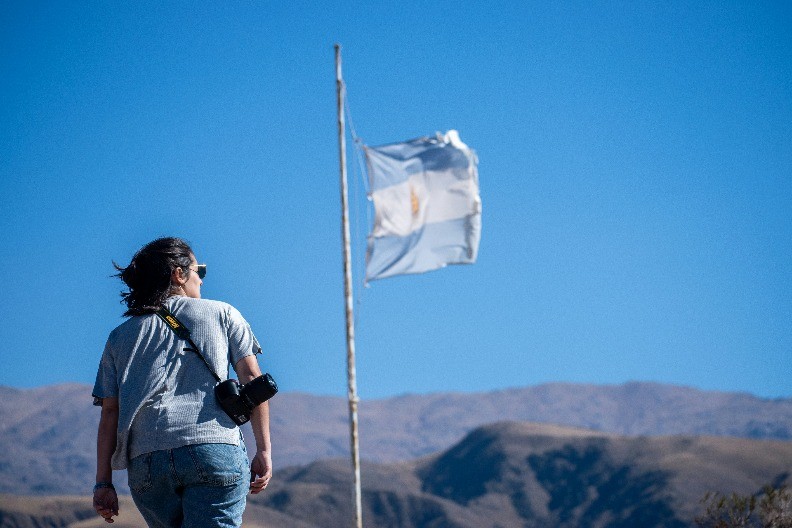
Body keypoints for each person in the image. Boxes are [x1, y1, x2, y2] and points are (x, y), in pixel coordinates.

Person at [92, 237, 272, 527]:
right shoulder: (223, 313)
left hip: (147, 460)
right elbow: (252, 379)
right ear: (179, 274)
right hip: (213, 447)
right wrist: (263, 450)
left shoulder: (119, 337)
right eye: (199, 271)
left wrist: (103, 483)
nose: (201, 279)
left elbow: (110, 412)